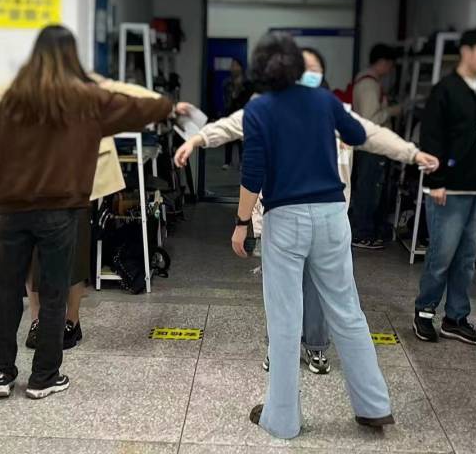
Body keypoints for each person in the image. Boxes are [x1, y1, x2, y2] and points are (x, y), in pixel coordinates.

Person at [174, 47, 438, 375]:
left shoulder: (333, 112)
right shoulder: (271, 109)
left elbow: (373, 135)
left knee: (318, 289)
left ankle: (316, 346)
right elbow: (231, 126)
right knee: (279, 293)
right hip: (281, 217)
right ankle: (279, 349)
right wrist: (197, 139)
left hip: (327, 220)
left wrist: (412, 153)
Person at [0, 68, 167, 350]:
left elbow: (124, 92)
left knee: (75, 255)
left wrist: (167, 105)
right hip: (36, 183)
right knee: (33, 257)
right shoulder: (29, 85)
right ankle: (37, 321)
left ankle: (72, 321)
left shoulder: (84, 83)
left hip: (79, 183)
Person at [0, 25, 171, 400]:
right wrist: (167, 105)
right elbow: (135, 109)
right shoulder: (85, 100)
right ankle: (43, 377)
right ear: (72, 57)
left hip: (14, 210)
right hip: (60, 208)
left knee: (7, 290)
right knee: (55, 291)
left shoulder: (15, 99)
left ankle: (1, 373)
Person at [233, 32, 393, 439]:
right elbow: (356, 135)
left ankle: (282, 419)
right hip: (331, 215)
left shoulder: (259, 108)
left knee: (285, 319)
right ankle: (374, 406)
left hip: (285, 219)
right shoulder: (324, 101)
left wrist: (241, 222)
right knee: (348, 311)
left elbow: (253, 173)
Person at [413, 28, 476, 344]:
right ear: (466, 51)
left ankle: (455, 317)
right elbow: (431, 136)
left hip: (473, 187)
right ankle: (424, 312)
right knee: (441, 256)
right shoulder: (445, 90)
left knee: (465, 258)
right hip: (446, 188)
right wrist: (435, 180)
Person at [348, 43, 405, 249]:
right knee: (369, 191)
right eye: (390, 65)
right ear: (382, 62)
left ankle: (364, 231)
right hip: (371, 147)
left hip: (368, 146)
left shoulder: (366, 81)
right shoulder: (369, 84)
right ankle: (361, 234)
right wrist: (393, 110)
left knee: (368, 189)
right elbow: (370, 119)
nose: (390, 70)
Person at [221, 59, 253, 170]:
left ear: (241, 67)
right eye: (232, 65)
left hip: (243, 113)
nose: (233, 68)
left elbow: (248, 99)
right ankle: (227, 161)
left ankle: (242, 162)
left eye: (236, 65)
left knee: (242, 138)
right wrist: (234, 93)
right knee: (228, 137)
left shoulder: (247, 83)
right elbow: (227, 100)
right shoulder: (227, 83)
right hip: (230, 112)